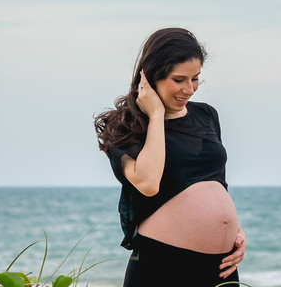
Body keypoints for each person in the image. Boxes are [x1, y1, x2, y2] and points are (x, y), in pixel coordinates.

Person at [94, 28, 246, 287]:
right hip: (163, 266)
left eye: (195, 78)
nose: (190, 89)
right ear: (152, 76)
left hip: (221, 265)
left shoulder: (206, 115)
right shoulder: (125, 125)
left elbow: (215, 182)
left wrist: (235, 231)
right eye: (179, 80)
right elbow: (148, 183)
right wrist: (155, 116)